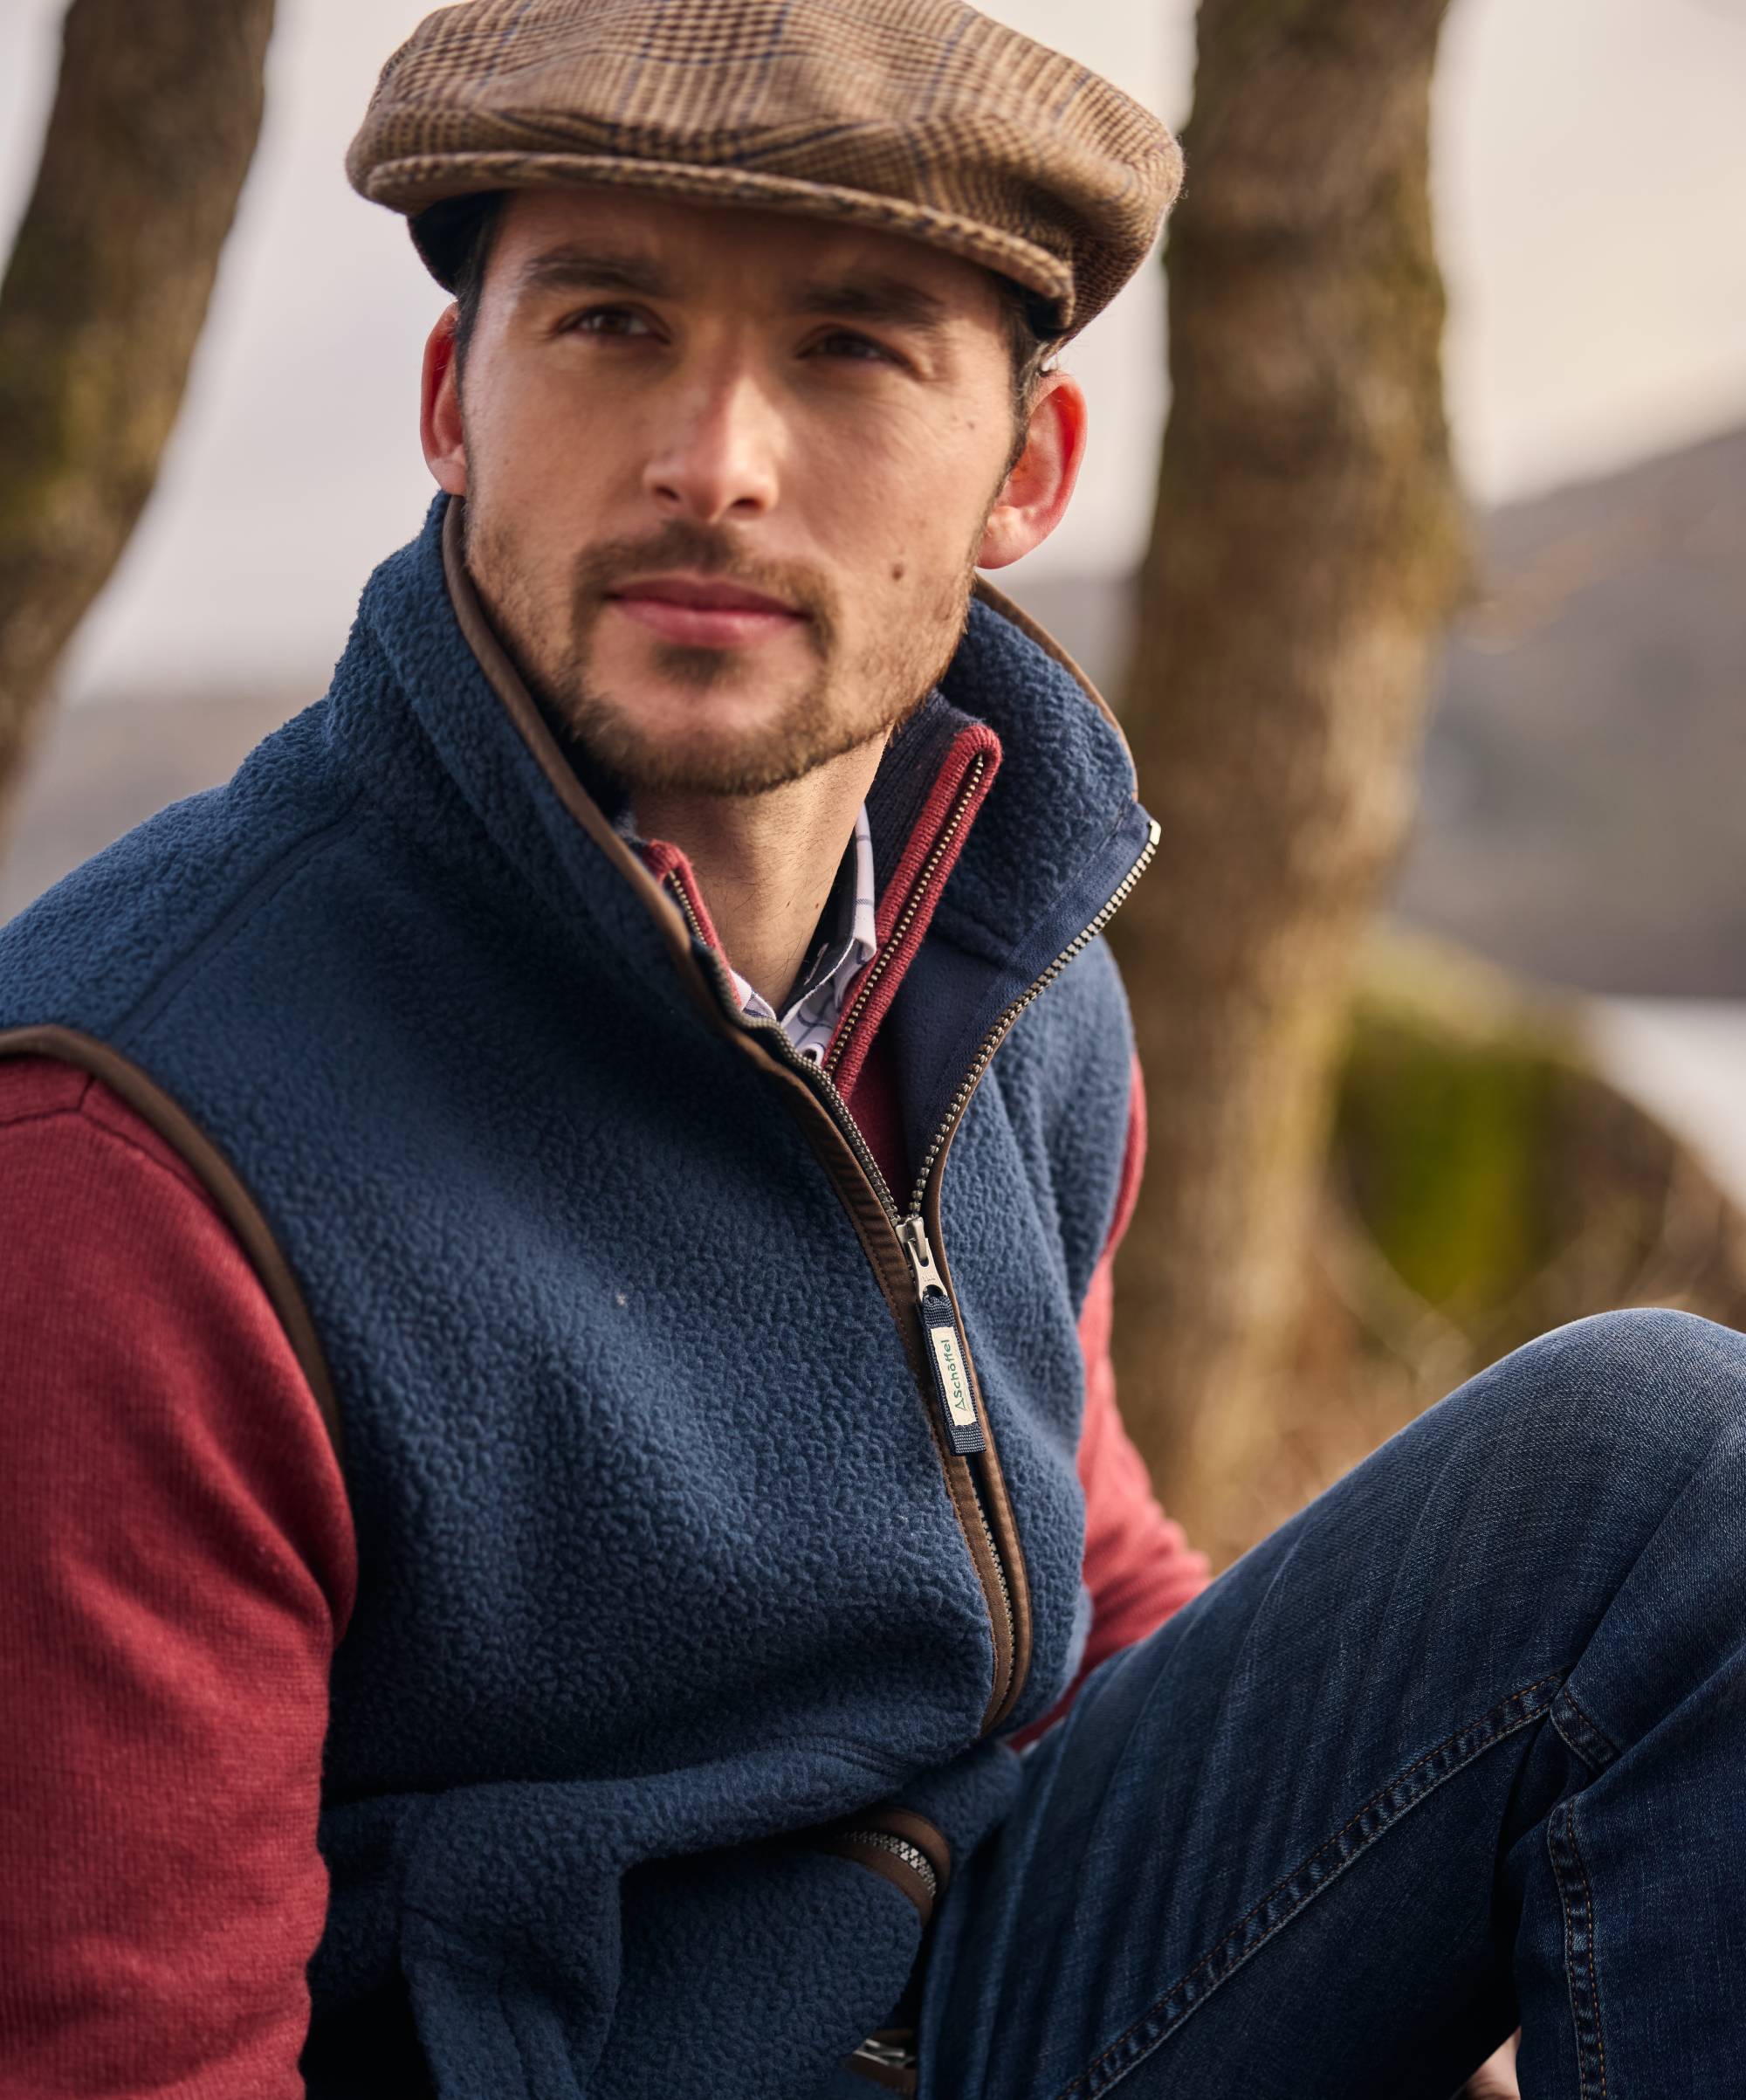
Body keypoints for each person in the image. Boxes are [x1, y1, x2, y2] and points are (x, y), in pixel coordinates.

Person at [0, 2, 1739, 2095]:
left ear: (1026, 471)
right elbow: (124, 2063)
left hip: (979, 1993)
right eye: (614, 322)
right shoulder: (125, 1157)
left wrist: (1388, 1908)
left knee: (1677, 1465)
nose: (714, 461)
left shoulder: (1006, 981)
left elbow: (1079, 1571)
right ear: (458, 401)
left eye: (850, 348)